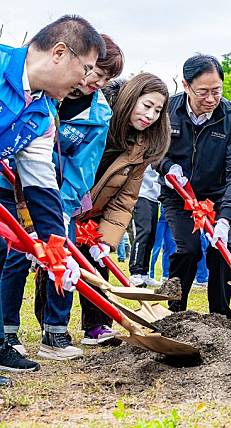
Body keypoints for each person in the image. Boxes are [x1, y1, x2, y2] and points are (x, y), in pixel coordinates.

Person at [1, 34, 122, 362]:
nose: (89, 81)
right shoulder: (14, 74)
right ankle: (6, 334)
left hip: (41, 193)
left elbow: (51, 177)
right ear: (60, 54)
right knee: (10, 257)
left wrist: (57, 240)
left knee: (27, 252)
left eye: (99, 75)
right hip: (7, 189)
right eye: (88, 70)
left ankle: (28, 337)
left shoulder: (51, 116)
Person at [76, 73, 169, 344]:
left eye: (157, 110)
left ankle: (97, 328)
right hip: (67, 202)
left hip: (97, 213)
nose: (150, 115)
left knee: (98, 264)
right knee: (62, 268)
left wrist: (106, 239)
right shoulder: (98, 119)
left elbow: (125, 198)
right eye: (146, 105)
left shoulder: (142, 147)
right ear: (131, 98)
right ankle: (53, 329)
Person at [157, 54, 231, 316]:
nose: (210, 99)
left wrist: (226, 217)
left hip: (217, 195)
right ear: (186, 86)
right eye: (203, 92)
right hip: (179, 194)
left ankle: (221, 316)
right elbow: (154, 150)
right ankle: (176, 313)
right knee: (187, 250)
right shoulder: (168, 111)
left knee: (223, 249)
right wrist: (166, 167)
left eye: (216, 91)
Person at [129, 166, 161, 287]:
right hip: (141, 195)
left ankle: (144, 273)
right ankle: (135, 272)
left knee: (152, 235)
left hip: (154, 198)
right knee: (144, 231)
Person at [149, 205, 175, 282]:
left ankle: (166, 275)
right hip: (160, 212)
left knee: (170, 246)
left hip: (171, 212)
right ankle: (150, 275)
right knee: (156, 246)